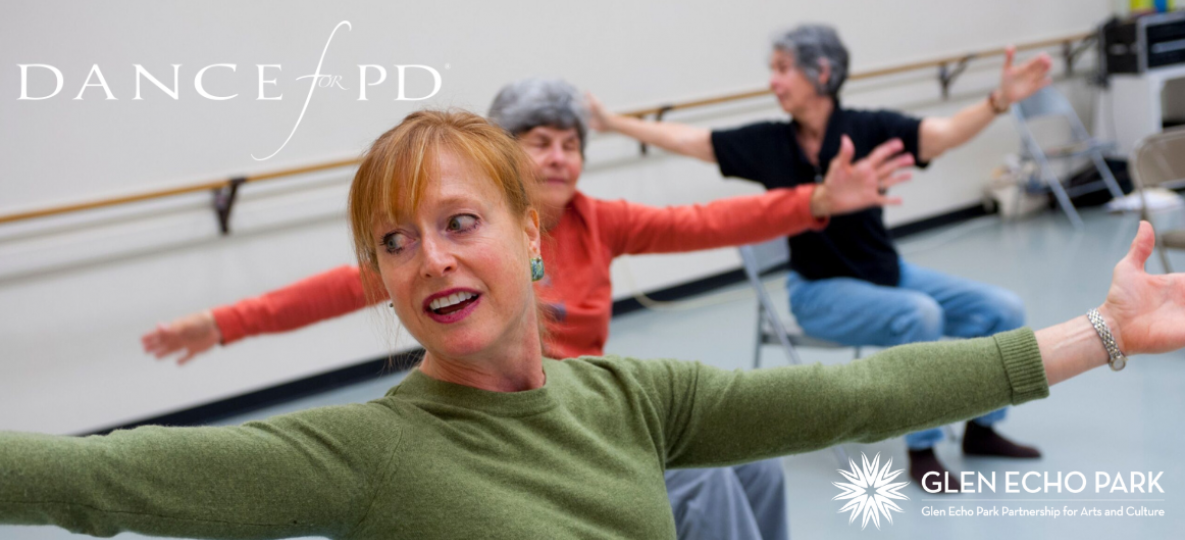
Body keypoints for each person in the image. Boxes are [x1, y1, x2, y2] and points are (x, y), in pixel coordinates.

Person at [4, 109, 1182, 540]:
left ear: (530, 226)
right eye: (396, 242)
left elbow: (855, 395)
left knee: (745, 486)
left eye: (457, 221)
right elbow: (107, 483)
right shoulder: (363, 453)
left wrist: (1107, 330)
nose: (427, 259)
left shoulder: (632, 397)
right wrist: (220, 320)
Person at [139, 79, 912, 540]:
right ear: (502, 163)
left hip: (589, 416)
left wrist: (816, 199)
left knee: (757, 466)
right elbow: (327, 291)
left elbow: (708, 223)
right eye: (538, 143)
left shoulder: (599, 220)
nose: (558, 158)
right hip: (515, 444)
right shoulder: (450, 244)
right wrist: (221, 324)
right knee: (703, 486)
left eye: (569, 143)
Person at [585, 23, 1056, 490]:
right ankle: (923, 449)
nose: (773, 81)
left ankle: (982, 429)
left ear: (822, 72)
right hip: (819, 292)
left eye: (783, 69)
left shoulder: (867, 129)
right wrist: (611, 123)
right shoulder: (770, 142)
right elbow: (693, 142)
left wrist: (999, 101)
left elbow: (945, 133)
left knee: (1003, 309)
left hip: (887, 275)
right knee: (920, 315)